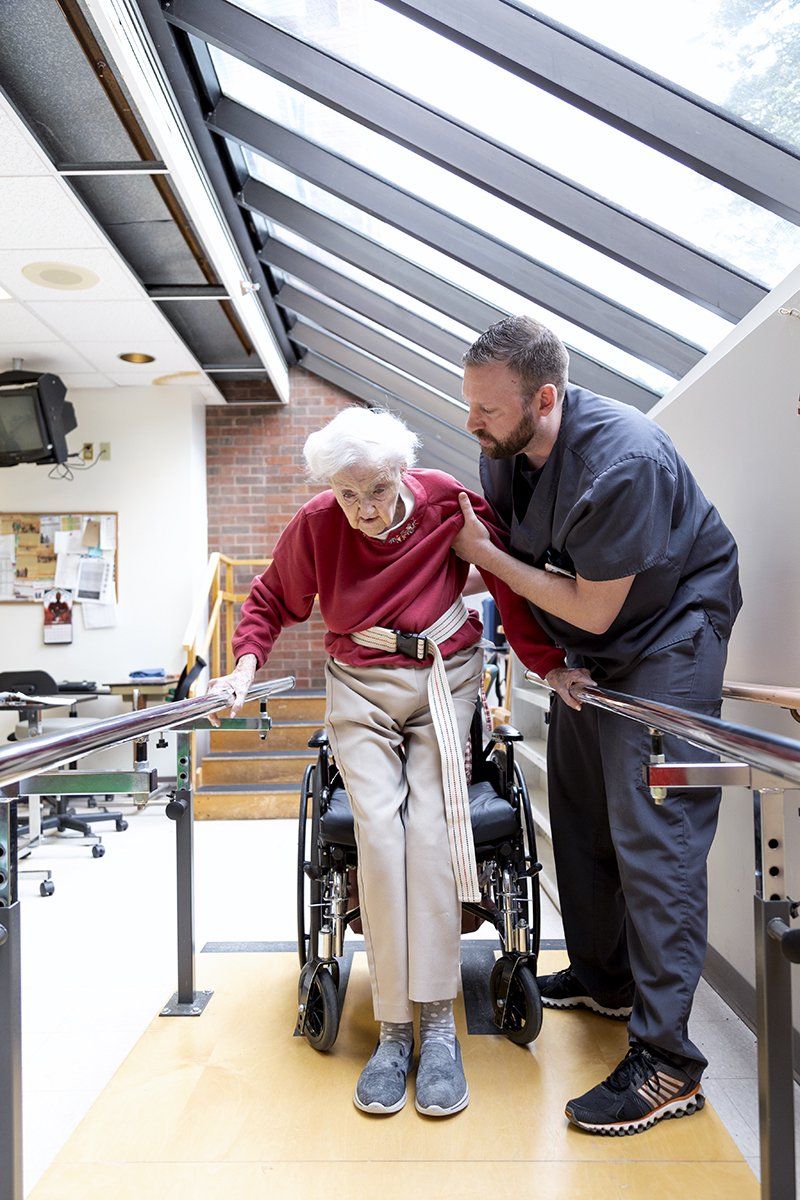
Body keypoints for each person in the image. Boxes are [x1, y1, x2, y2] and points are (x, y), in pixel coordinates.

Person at [206, 405, 562, 1118]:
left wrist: (546, 664)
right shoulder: (318, 522)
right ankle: (394, 1031)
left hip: (443, 675)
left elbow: (506, 580)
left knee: (430, 831)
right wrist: (242, 669)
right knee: (378, 829)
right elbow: (272, 598)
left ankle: (438, 1025)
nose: (364, 509)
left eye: (375, 489)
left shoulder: (445, 501)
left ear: (402, 470)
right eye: (348, 493)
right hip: (360, 683)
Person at [452, 315, 742, 1136]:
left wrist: (486, 558)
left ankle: (669, 1062)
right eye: (469, 404)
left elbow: (588, 602)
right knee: (579, 812)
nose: (472, 423)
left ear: (544, 399)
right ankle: (605, 979)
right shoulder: (507, 449)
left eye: (487, 409)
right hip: (593, 645)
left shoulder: (626, 462)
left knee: (656, 837)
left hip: (669, 635)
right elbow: (517, 567)